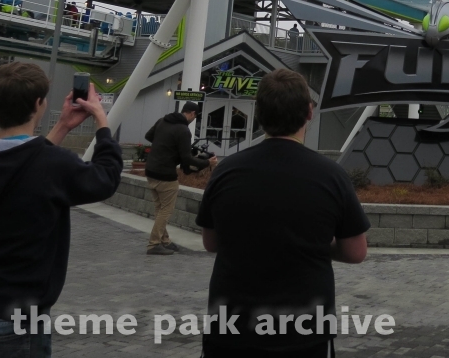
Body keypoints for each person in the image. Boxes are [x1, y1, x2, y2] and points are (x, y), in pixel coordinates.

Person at [197, 69, 370, 358]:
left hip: (231, 329)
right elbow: (356, 252)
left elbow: (210, 242)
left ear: (259, 113)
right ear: (309, 112)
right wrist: (312, 243)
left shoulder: (227, 171)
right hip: (304, 331)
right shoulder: (331, 176)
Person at [0, 62, 122, 356]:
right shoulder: (53, 165)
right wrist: (102, 122)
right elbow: (105, 178)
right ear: (39, 103)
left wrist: (62, 126)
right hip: (16, 316)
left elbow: (23, 161)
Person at [143, 100, 215, 255]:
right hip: (166, 175)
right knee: (165, 211)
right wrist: (207, 162)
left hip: (150, 171)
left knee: (159, 209)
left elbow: (148, 136)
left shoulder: (162, 120)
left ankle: (165, 240)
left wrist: (164, 146)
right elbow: (187, 159)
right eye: (195, 116)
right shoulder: (183, 130)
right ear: (192, 113)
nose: (194, 119)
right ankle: (154, 244)